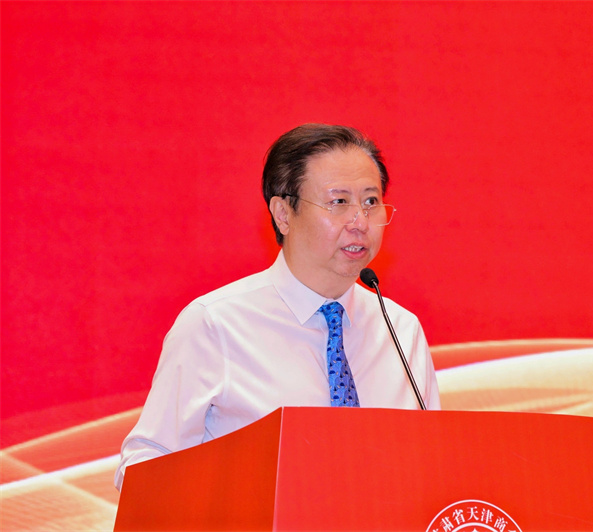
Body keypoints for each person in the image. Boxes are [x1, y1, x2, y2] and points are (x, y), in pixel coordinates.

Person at [114, 124, 440, 490]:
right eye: (338, 202)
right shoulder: (216, 325)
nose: (360, 222)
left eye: (370, 202)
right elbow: (144, 465)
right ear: (283, 213)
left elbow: (432, 465)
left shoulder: (400, 330)